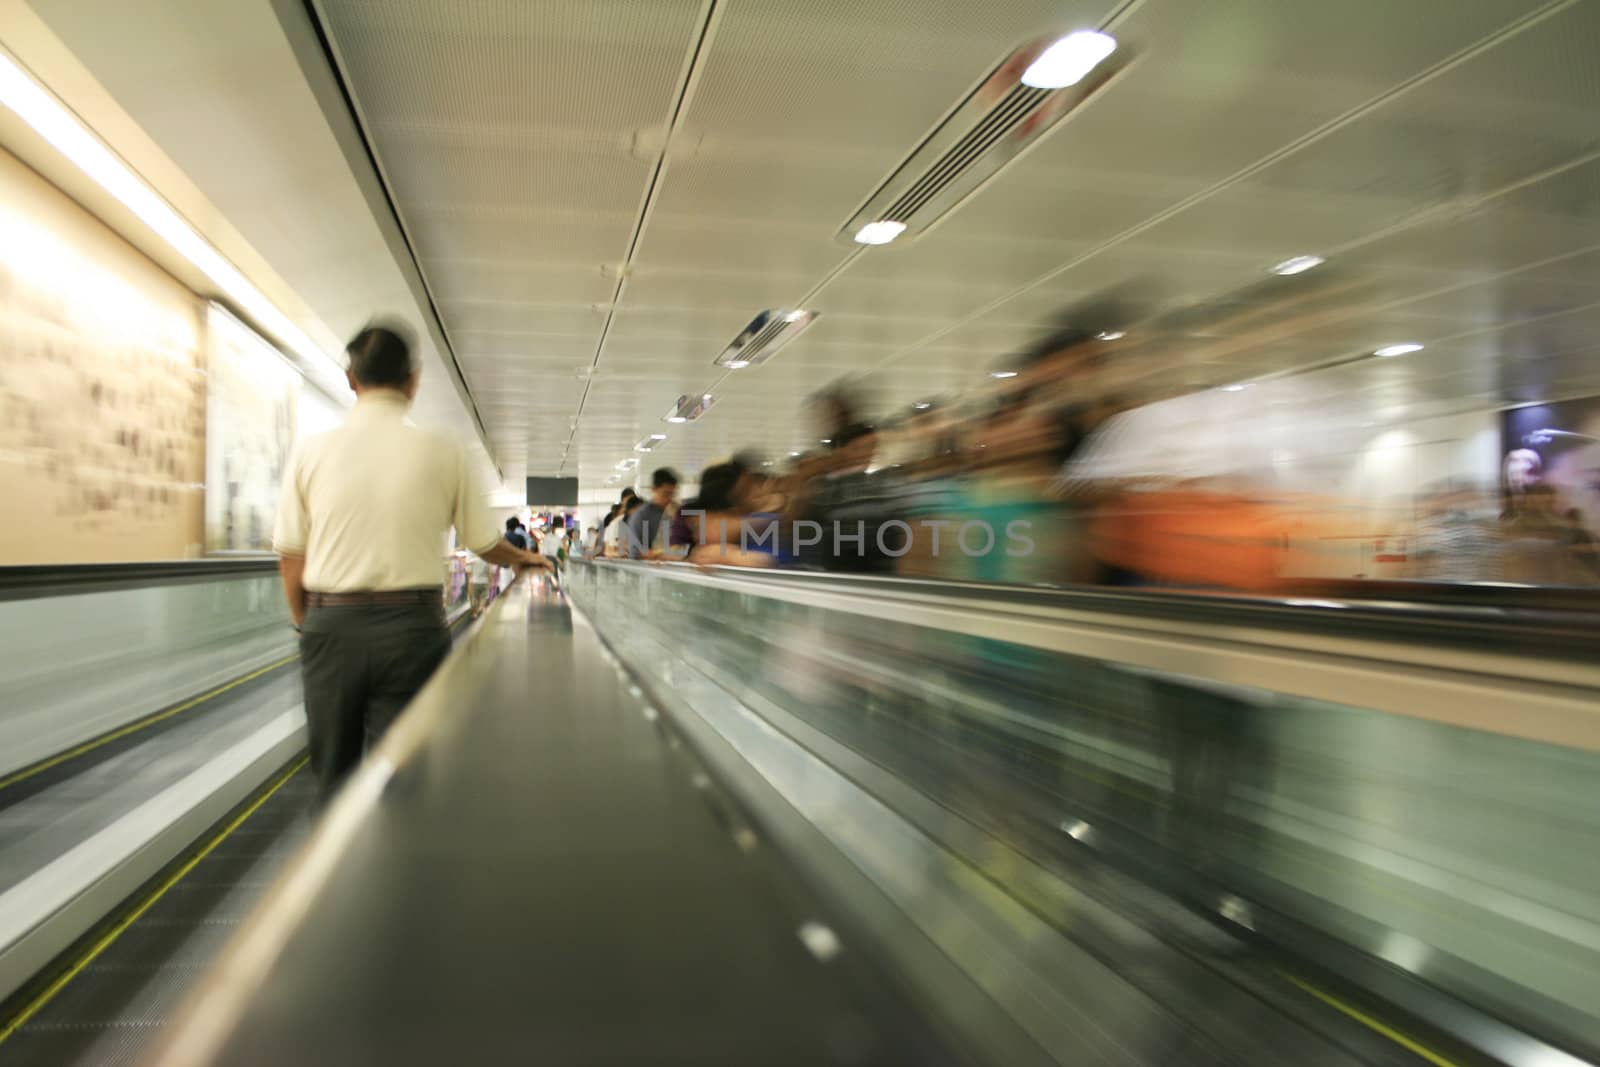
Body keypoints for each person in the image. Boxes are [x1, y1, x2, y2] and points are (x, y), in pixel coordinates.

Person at [273, 322, 548, 804]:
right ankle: (398, 871)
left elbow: (291, 557)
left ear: (350, 378)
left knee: (332, 775)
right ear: (413, 381)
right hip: (412, 627)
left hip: (330, 625)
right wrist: (528, 559)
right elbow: (485, 543)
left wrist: (310, 627)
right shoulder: (443, 449)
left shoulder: (310, 451)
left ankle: (336, 873)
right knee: (406, 779)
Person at [626, 467, 679, 558]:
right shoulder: (641, 516)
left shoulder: (676, 511)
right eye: (665, 494)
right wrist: (662, 553)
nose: (669, 499)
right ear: (653, 490)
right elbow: (636, 553)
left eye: (672, 494)